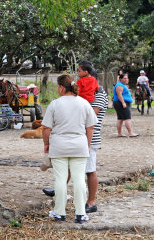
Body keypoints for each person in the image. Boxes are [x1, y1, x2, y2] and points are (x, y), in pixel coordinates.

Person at [42, 68, 108, 214]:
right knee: (78, 178)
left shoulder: (56, 103)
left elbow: (46, 128)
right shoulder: (84, 102)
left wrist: (46, 144)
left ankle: (62, 211)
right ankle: (80, 213)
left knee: (70, 176)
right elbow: (90, 125)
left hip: (65, 144)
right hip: (81, 142)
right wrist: (86, 143)